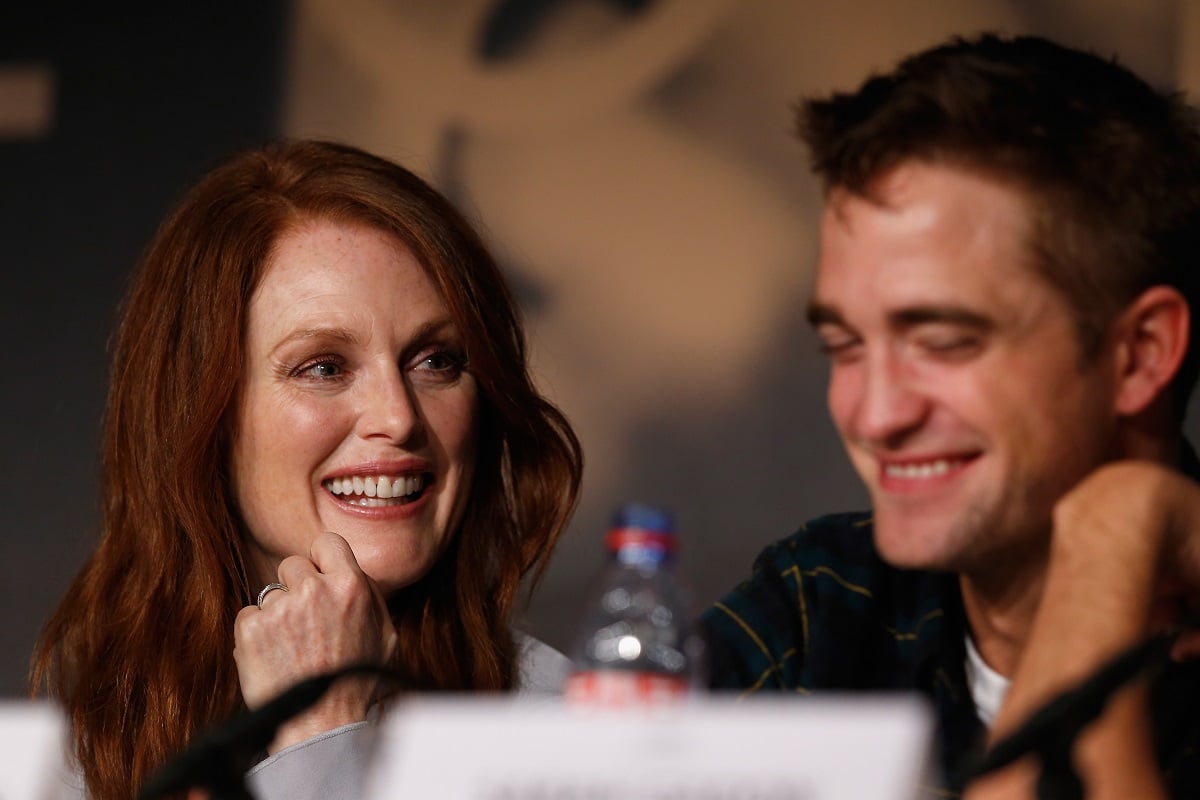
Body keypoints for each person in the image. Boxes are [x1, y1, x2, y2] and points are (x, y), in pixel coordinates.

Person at [701, 33, 1200, 798]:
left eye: (941, 342)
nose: (875, 414)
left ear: (1139, 355)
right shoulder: (822, 600)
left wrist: (1113, 533)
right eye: (845, 346)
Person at [30, 139, 583, 800]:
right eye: (323, 366)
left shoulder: (577, 741)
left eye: (436, 360)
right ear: (200, 417)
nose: (397, 416)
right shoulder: (72, 763)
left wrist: (320, 727)